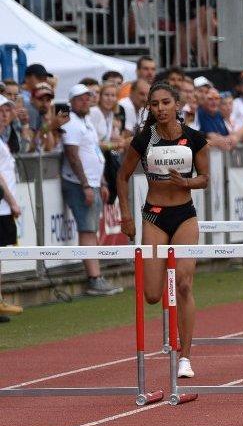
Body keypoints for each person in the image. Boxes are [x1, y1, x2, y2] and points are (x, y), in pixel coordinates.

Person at [116, 81, 208, 377]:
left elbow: (205, 178)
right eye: (155, 104)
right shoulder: (144, 139)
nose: (160, 109)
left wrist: (187, 182)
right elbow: (123, 176)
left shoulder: (194, 138)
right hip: (154, 216)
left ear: (177, 104)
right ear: (150, 108)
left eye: (166, 103)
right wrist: (126, 216)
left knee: (183, 283)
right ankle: (171, 339)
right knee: (153, 295)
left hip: (184, 215)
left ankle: (186, 356)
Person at [62, 85, 120, 296]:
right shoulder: (70, 122)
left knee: (91, 229)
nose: (85, 101)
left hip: (93, 182)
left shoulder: (86, 122)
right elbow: (73, 156)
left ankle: (97, 276)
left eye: (88, 98)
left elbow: (95, 152)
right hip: (80, 183)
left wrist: (102, 182)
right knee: (87, 229)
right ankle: (94, 278)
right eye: (80, 98)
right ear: (72, 101)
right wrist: (86, 184)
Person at [0, 98, 23, 319]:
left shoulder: (3, 138)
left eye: (7, 109)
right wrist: (12, 201)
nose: (5, 114)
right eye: (1, 110)